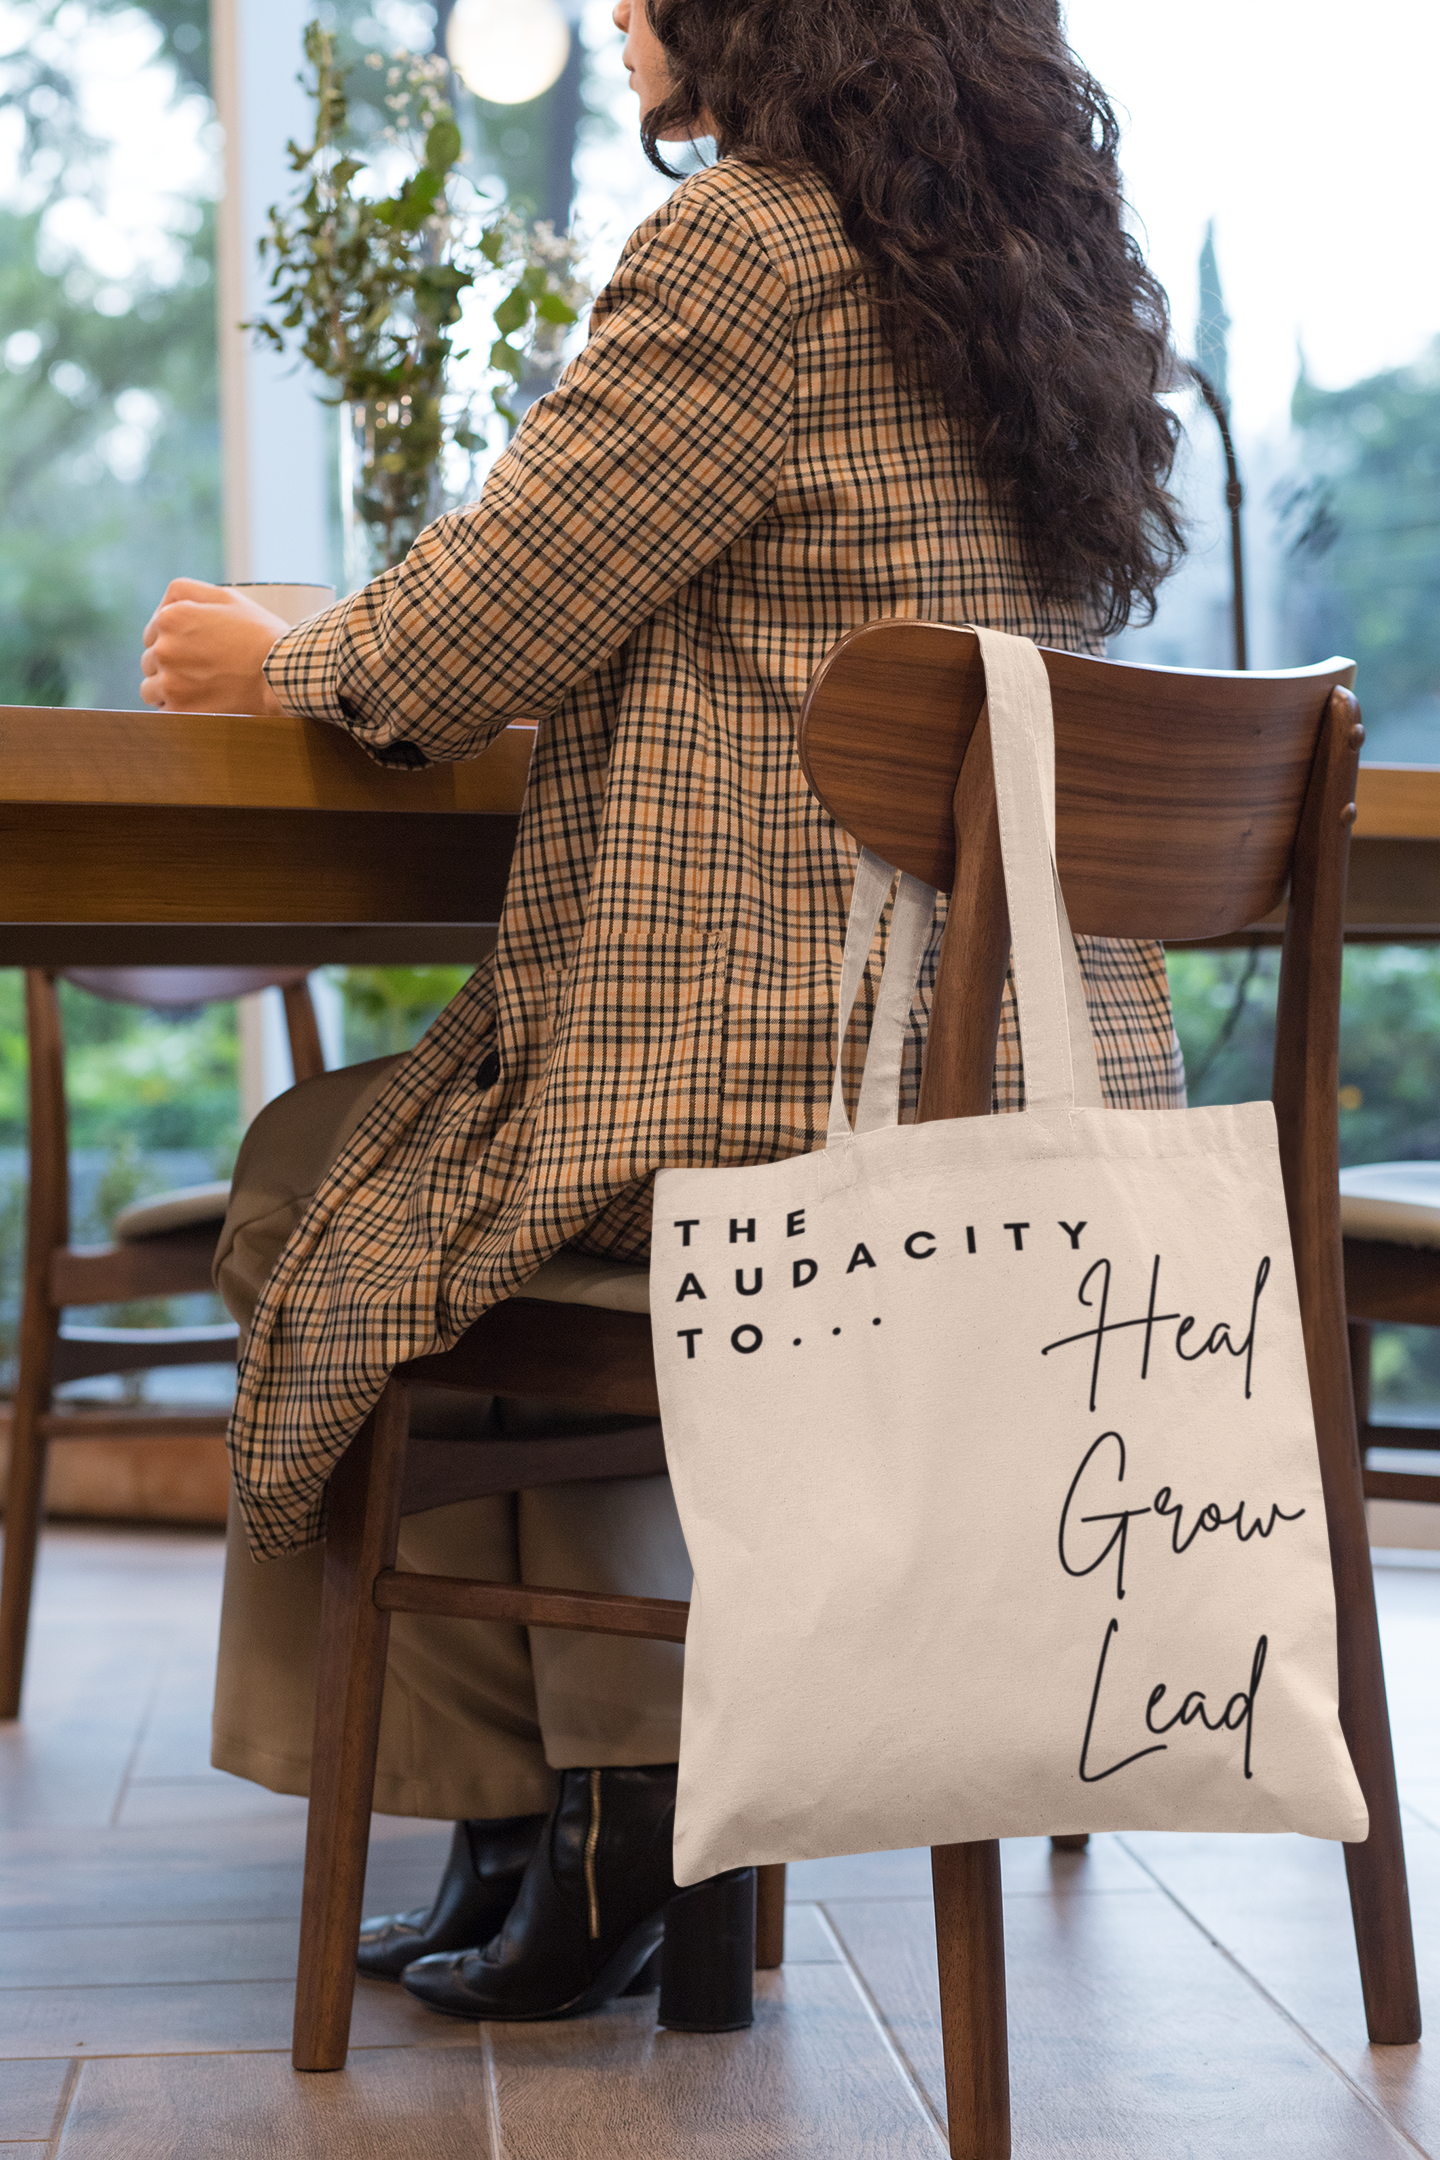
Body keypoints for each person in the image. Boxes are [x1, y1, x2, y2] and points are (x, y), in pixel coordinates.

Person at [140, 0, 1186, 2023]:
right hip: (1008, 1096)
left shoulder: (750, 245)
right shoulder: (1023, 281)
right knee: (461, 1179)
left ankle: (553, 1802)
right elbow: (749, 615)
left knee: (319, 1178)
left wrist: (282, 654)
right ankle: (589, 1827)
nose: (617, 10)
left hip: (776, 1088)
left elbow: (463, 641)